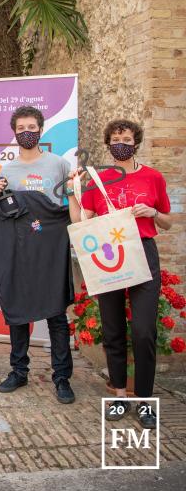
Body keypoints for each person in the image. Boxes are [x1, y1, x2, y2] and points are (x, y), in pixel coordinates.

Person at [68, 120, 172, 429]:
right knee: (113, 328)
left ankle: (145, 401)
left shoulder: (153, 177)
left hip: (142, 252)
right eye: (115, 139)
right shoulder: (97, 179)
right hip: (107, 254)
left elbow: (167, 222)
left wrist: (154, 213)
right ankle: (120, 396)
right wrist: (74, 192)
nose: (121, 143)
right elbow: (82, 220)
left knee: (143, 331)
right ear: (108, 143)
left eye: (126, 138)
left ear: (136, 141)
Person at [0, 106, 75, 404]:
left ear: (41, 129)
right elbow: (2, 209)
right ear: (14, 132)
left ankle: (62, 376)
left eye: (32, 126)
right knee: (18, 309)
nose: (27, 131)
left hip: (51, 247)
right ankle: (19, 370)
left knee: (56, 313)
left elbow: (71, 200)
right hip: (20, 247)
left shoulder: (58, 164)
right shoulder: (9, 169)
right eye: (21, 127)